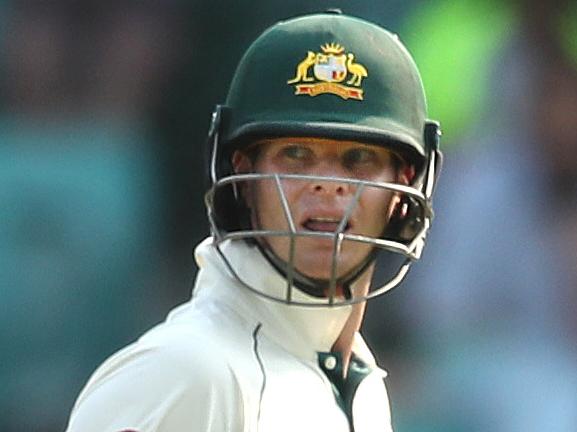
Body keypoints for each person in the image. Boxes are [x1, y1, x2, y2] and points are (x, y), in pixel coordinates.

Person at [65, 11, 441, 432]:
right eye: (296, 155)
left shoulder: (359, 380)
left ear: (404, 186)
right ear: (243, 178)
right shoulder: (187, 373)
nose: (328, 185)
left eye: (359, 159)